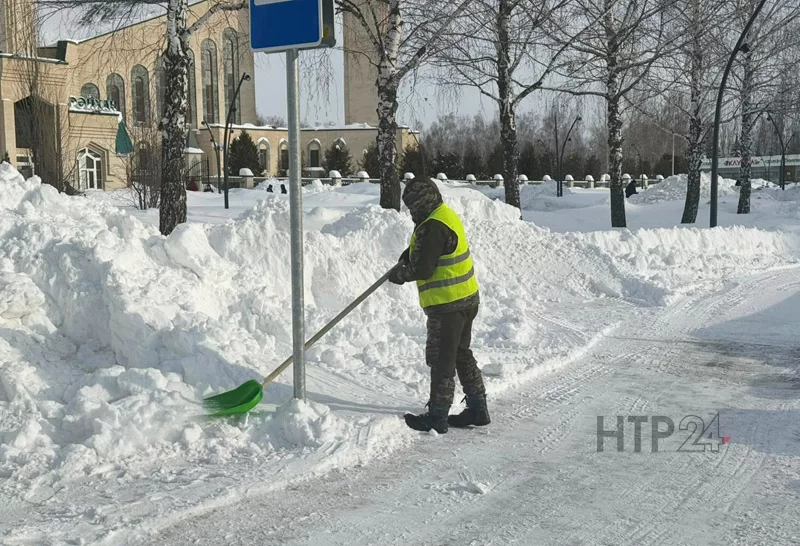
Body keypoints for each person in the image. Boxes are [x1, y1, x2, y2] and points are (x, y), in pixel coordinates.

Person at [389, 178, 491, 434]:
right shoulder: (443, 215)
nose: (412, 212)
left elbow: (423, 268)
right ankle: (479, 408)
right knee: (460, 354)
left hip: (448, 305)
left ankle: (437, 416)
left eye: (413, 207)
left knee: (442, 359)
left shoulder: (432, 225)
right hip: (466, 300)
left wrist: (400, 274)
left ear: (421, 203)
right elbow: (430, 251)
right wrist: (408, 254)